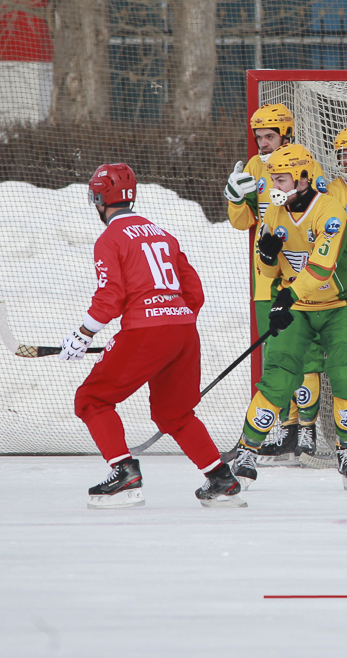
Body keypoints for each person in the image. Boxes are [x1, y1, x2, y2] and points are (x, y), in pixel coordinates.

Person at [59, 163, 244, 509]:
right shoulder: (162, 233)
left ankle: (124, 473)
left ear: (100, 199)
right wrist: (172, 320)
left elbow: (109, 298)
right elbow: (194, 292)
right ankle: (221, 478)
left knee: (91, 400)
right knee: (175, 413)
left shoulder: (109, 239)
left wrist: (83, 334)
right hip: (184, 332)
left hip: (147, 332)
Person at [231, 144, 347, 490]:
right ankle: (248, 450)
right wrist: (266, 256)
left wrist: (287, 296)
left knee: (346, 372)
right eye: (273, 180)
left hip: (340, 303)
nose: (275, 187)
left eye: (281, 180)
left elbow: (322, 267)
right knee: (279, 372)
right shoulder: (275, 214)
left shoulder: (330, 211)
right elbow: (271, 267)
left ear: (304, 178)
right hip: (298, 303)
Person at [222, 104, 327, 463]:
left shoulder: (308, 165)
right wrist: (236, 198)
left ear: (286, 134)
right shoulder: (253, 167)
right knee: (276, 358)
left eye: (270, 136)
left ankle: (302, 430)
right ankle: (284, 428)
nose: (264, 144)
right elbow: (242, 222)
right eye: (259, 137)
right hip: (266, 277)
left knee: (307, 356)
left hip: (302, 280)